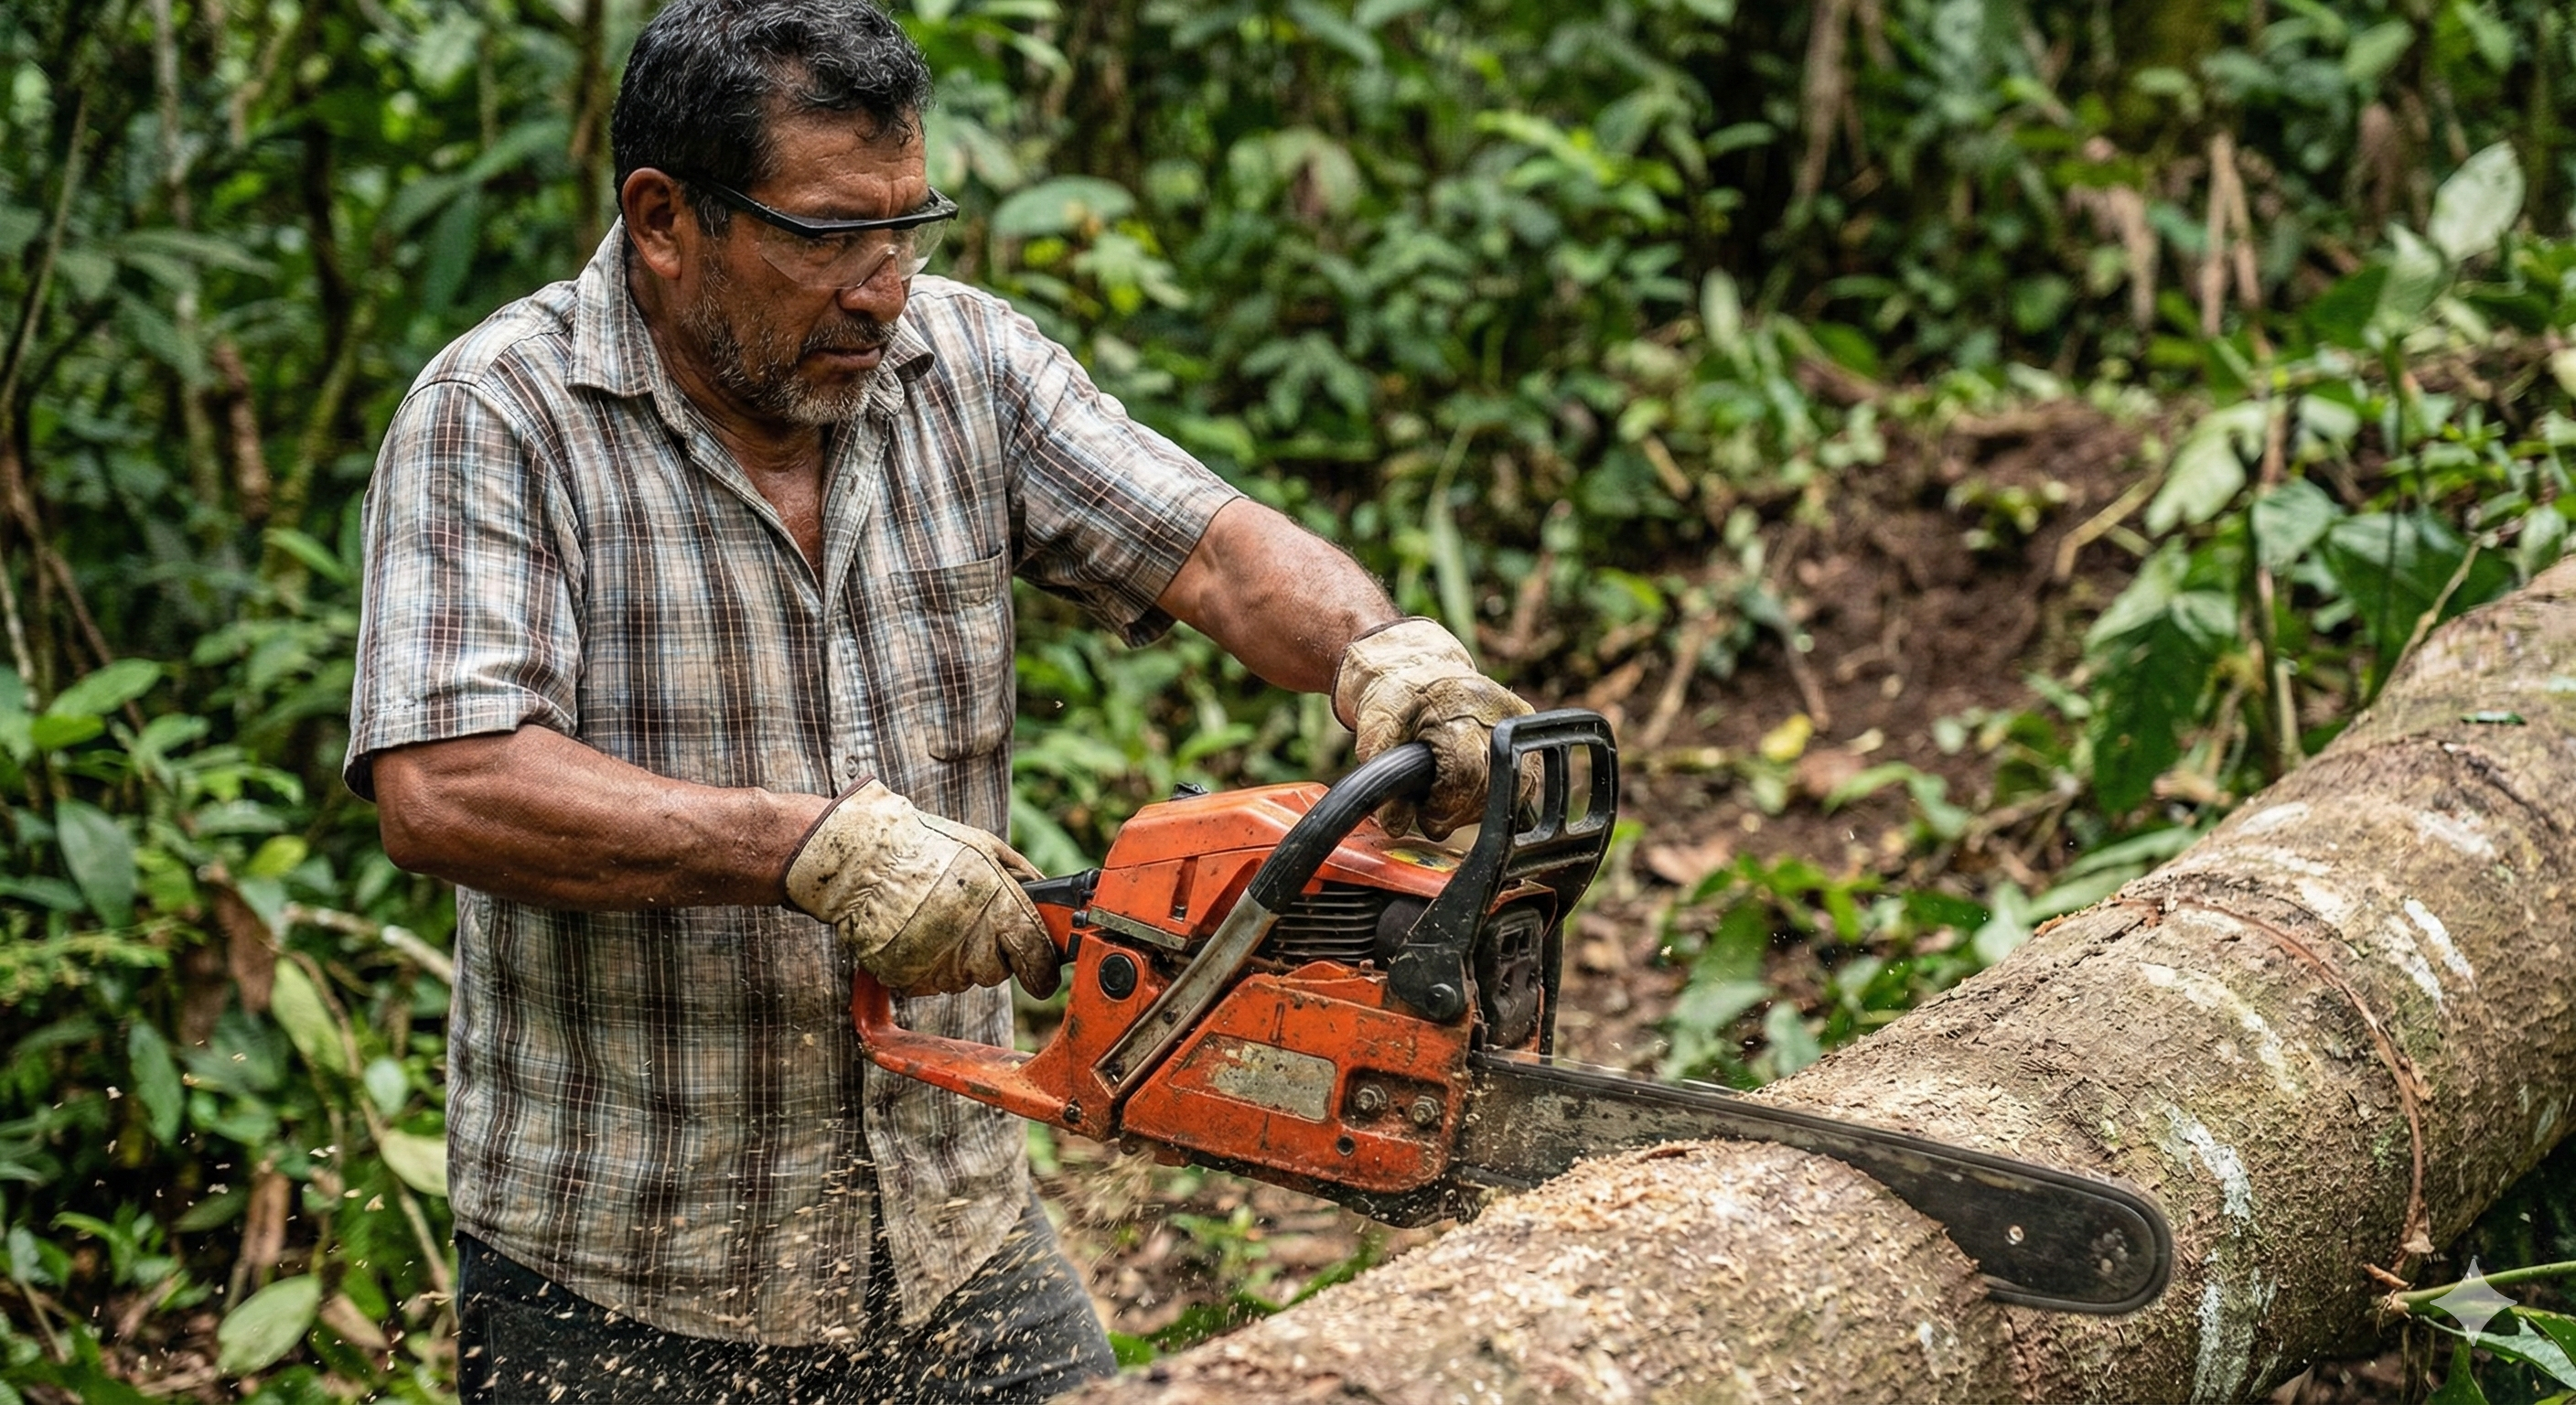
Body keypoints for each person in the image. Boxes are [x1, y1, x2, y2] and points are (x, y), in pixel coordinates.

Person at [343, 1, 1529, 1400]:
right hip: (627, 1269)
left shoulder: (963, 364)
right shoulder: (501, 413)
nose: (882, 286)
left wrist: (1386, 655)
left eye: (907, 228)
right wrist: (809, 849)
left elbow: (1210, 548)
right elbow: (447, 787)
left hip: (954, 1229)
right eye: (828, 236)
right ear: (666, 220)